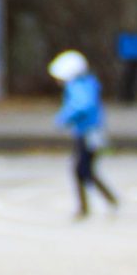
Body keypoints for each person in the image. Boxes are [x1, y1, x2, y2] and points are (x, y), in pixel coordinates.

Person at [50, 50, 117, 219]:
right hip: (87, 132)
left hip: (89, 133)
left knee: (82, 169)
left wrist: (64, 118)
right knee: (83, 170)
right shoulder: (86, 83)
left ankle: (98, 203)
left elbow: (82, 105)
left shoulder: (79, 86)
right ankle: (94, 203)